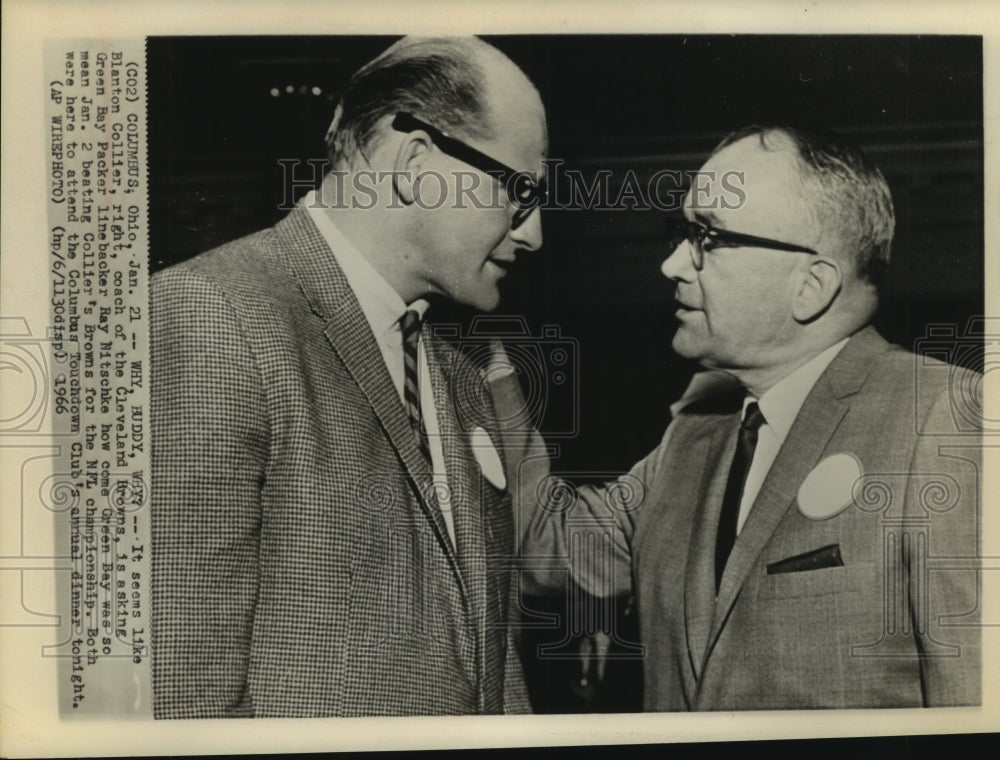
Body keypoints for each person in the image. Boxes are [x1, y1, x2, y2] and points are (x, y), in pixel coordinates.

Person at [150, 37, 548, 718]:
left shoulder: (459, 373)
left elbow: (491, 661)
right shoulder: (210, 316)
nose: (533, 233)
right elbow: (184, 694)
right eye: (520, 193)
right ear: (417, 162)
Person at [520, 125, 981, 710]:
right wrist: (480, 365)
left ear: (810, 286)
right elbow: (541, 548)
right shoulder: (690, 440)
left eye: (706, 237)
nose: (671, 265)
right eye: (681, 233)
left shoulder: (946, 420)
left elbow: (972, 710)